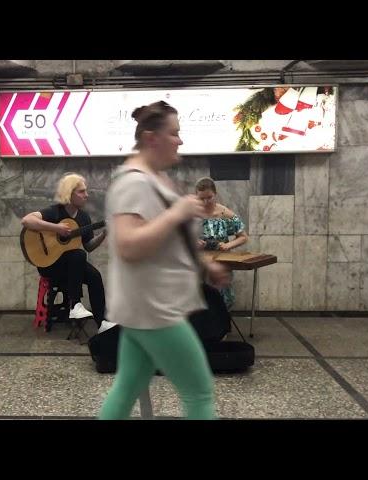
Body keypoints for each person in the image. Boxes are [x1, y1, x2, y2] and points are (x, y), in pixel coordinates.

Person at [98, 100, 230, 420]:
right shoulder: (134, 182)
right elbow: (128, 245)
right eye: (174, 133)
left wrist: (204, 264)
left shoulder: (151, 179)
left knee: (128, 386)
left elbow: (165, 243)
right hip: (156, 310)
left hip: (144, 307)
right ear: (150, 138)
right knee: (198, 392)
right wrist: (177, 214)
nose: (180, 141)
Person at [21, 173, 107, 328]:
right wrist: (56, 228)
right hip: (50, 266)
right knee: (78, 254)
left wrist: (104, 234)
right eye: (81, 192)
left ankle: (102, 323)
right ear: (69, 193)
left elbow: (89, 246)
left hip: (73, 266)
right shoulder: (54, 212)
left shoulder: (83, 218)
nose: (86, 195)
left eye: (85, 191)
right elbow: (27, 220)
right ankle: (75, 304)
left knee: (95, 276)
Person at [195, 177, 248, 310]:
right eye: (201, 198)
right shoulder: (192, 214)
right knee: (200, 300)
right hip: (198, 263)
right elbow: (179, 238)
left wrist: (228, 245)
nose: (206, 201)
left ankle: (222, 328)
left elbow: (243, 237)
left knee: (223, 299)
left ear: (215, 194)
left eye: (209, 197)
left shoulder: (225, 214)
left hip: (221, 261)